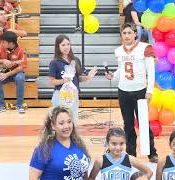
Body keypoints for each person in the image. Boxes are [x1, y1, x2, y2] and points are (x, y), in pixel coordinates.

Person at [106, 23, 158, 162]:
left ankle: (151, 153)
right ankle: (131, 154)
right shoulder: (118, 51)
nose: (127, 35)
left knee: (143, 123)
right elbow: (121, 70)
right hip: (123, 90)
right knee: (128, 124)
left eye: (129, 33)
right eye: (124, 33)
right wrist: (113, 75)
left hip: (140, 91)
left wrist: (150, 90)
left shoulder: (145, 48)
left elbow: (151, 70)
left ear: (135, 34)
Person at [29, 106, 90, 179]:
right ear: (53, 126)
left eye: (69, 122)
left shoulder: (79, 145)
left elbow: (84, 175)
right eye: (61, 123)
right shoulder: (44, 149)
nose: (67, 126)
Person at [49, 34, 97, 122]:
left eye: (68, 44)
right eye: (63, 45)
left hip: (73, 95)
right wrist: (63, 80)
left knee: (73, 121)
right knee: (60, 121)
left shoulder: (76, 60)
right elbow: (52, 81)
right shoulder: (54, 62)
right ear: (58, 47)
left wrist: (88, 77)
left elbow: (77, 79)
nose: (66, 47)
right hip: (61, 95)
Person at [88, 127, 153, 180]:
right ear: (107, 143)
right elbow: (91, 178)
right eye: (114, 144)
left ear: (125, 142)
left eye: (121, 143)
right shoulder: (100, 161)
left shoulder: (130, 159)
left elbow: (149, 172)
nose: (118, 147)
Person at [0, 31, 26, 113]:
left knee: (20, 78)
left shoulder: (21, 50)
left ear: (11, 43)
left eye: (4, 42)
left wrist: (7, 74)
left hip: (16, 73)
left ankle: (19, 105)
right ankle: (1, 105)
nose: (1, 44)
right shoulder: (0, 48)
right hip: (3, 72)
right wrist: (2, 61)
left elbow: (21, 68)